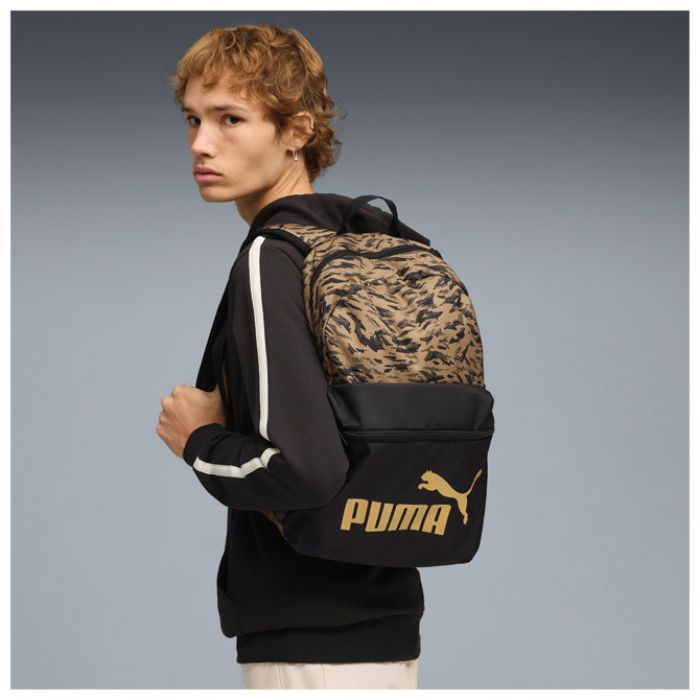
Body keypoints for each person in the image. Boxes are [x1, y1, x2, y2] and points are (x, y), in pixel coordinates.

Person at [156, 24, 422, 690]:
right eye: (192, 118)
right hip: (388, 618)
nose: (201, 143)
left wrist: (198, 440)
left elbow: (305, 472)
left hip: (304, 637)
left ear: (297, 130)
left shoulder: (272, 258)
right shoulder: (375, 238)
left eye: (230, 119)